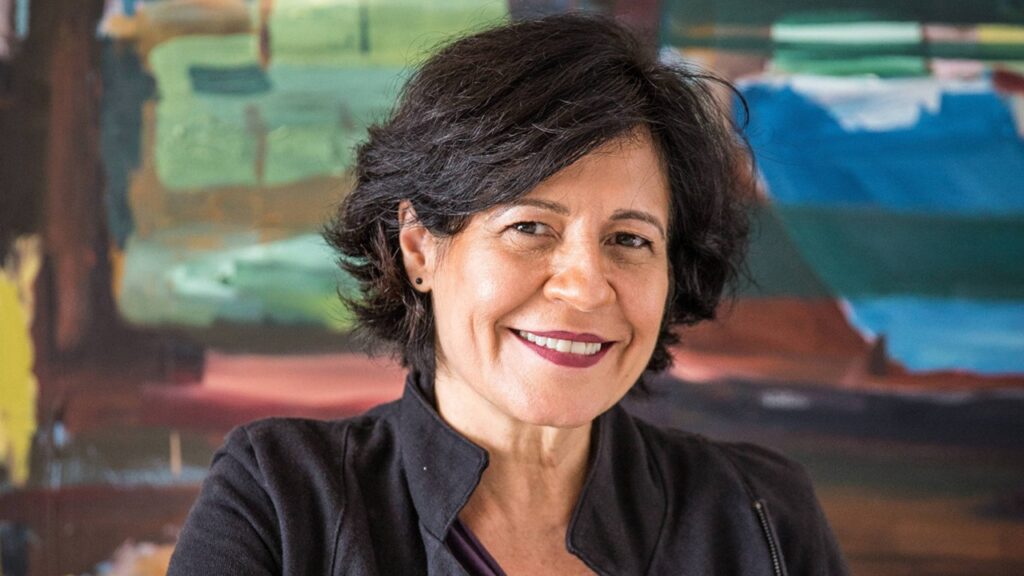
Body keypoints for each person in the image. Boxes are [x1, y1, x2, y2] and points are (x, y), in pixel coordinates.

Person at [168, 13, 849, 576]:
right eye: (529, 228)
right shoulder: (282, 498)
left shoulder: (760, 515)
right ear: (419, 248)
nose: (584, 286)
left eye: (629, 239)